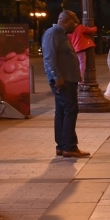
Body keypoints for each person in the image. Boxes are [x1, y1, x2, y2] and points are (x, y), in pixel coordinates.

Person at [42, 10, 90, 159]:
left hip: (67, 78)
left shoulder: (60, 34)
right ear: (66, 20)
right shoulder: (53, 33)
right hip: (63, 80)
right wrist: (57, 77)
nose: (76, 26)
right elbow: (49, 57)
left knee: (62, 111)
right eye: (74, 22)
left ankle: (62, 146)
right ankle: (69, 146)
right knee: (70, 110)